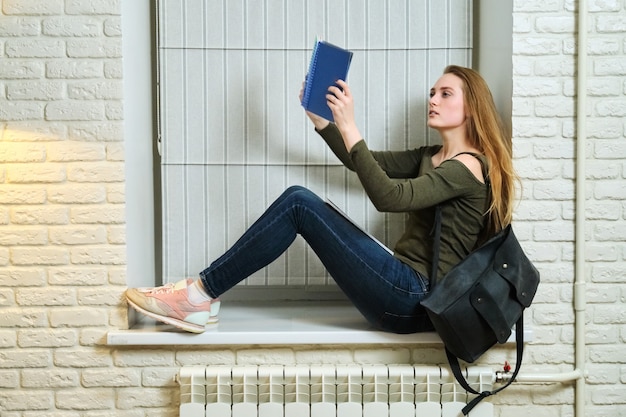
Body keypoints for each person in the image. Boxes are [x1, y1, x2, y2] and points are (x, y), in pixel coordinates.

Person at [125, 65, 517, 334]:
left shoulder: (469, 168)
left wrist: (351, 124)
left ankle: (198, 295)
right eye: (432, 91)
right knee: (303, 203)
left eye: (446, 93)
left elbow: (389, 197)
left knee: (299, 203)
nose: (433, 98)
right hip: (401, 285)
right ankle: (202, 298)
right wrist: (325, 122)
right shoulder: (429, 156)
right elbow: (361, 161)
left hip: (415, 299)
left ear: (471, 107)